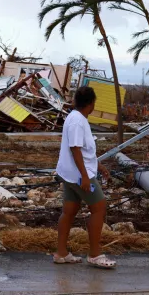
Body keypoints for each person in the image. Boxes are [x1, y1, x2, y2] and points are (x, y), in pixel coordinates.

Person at [53, 86, 116, 269]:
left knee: (69, 211)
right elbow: (75, 150)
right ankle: (94, 254)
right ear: (91, 104)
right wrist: (85, 177)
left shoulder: (75, 117)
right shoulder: (78, 122)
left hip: (70, 174)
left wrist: (99, 166)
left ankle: (61, 253)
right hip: (79, 176)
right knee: (99, 207)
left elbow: (85, 151)